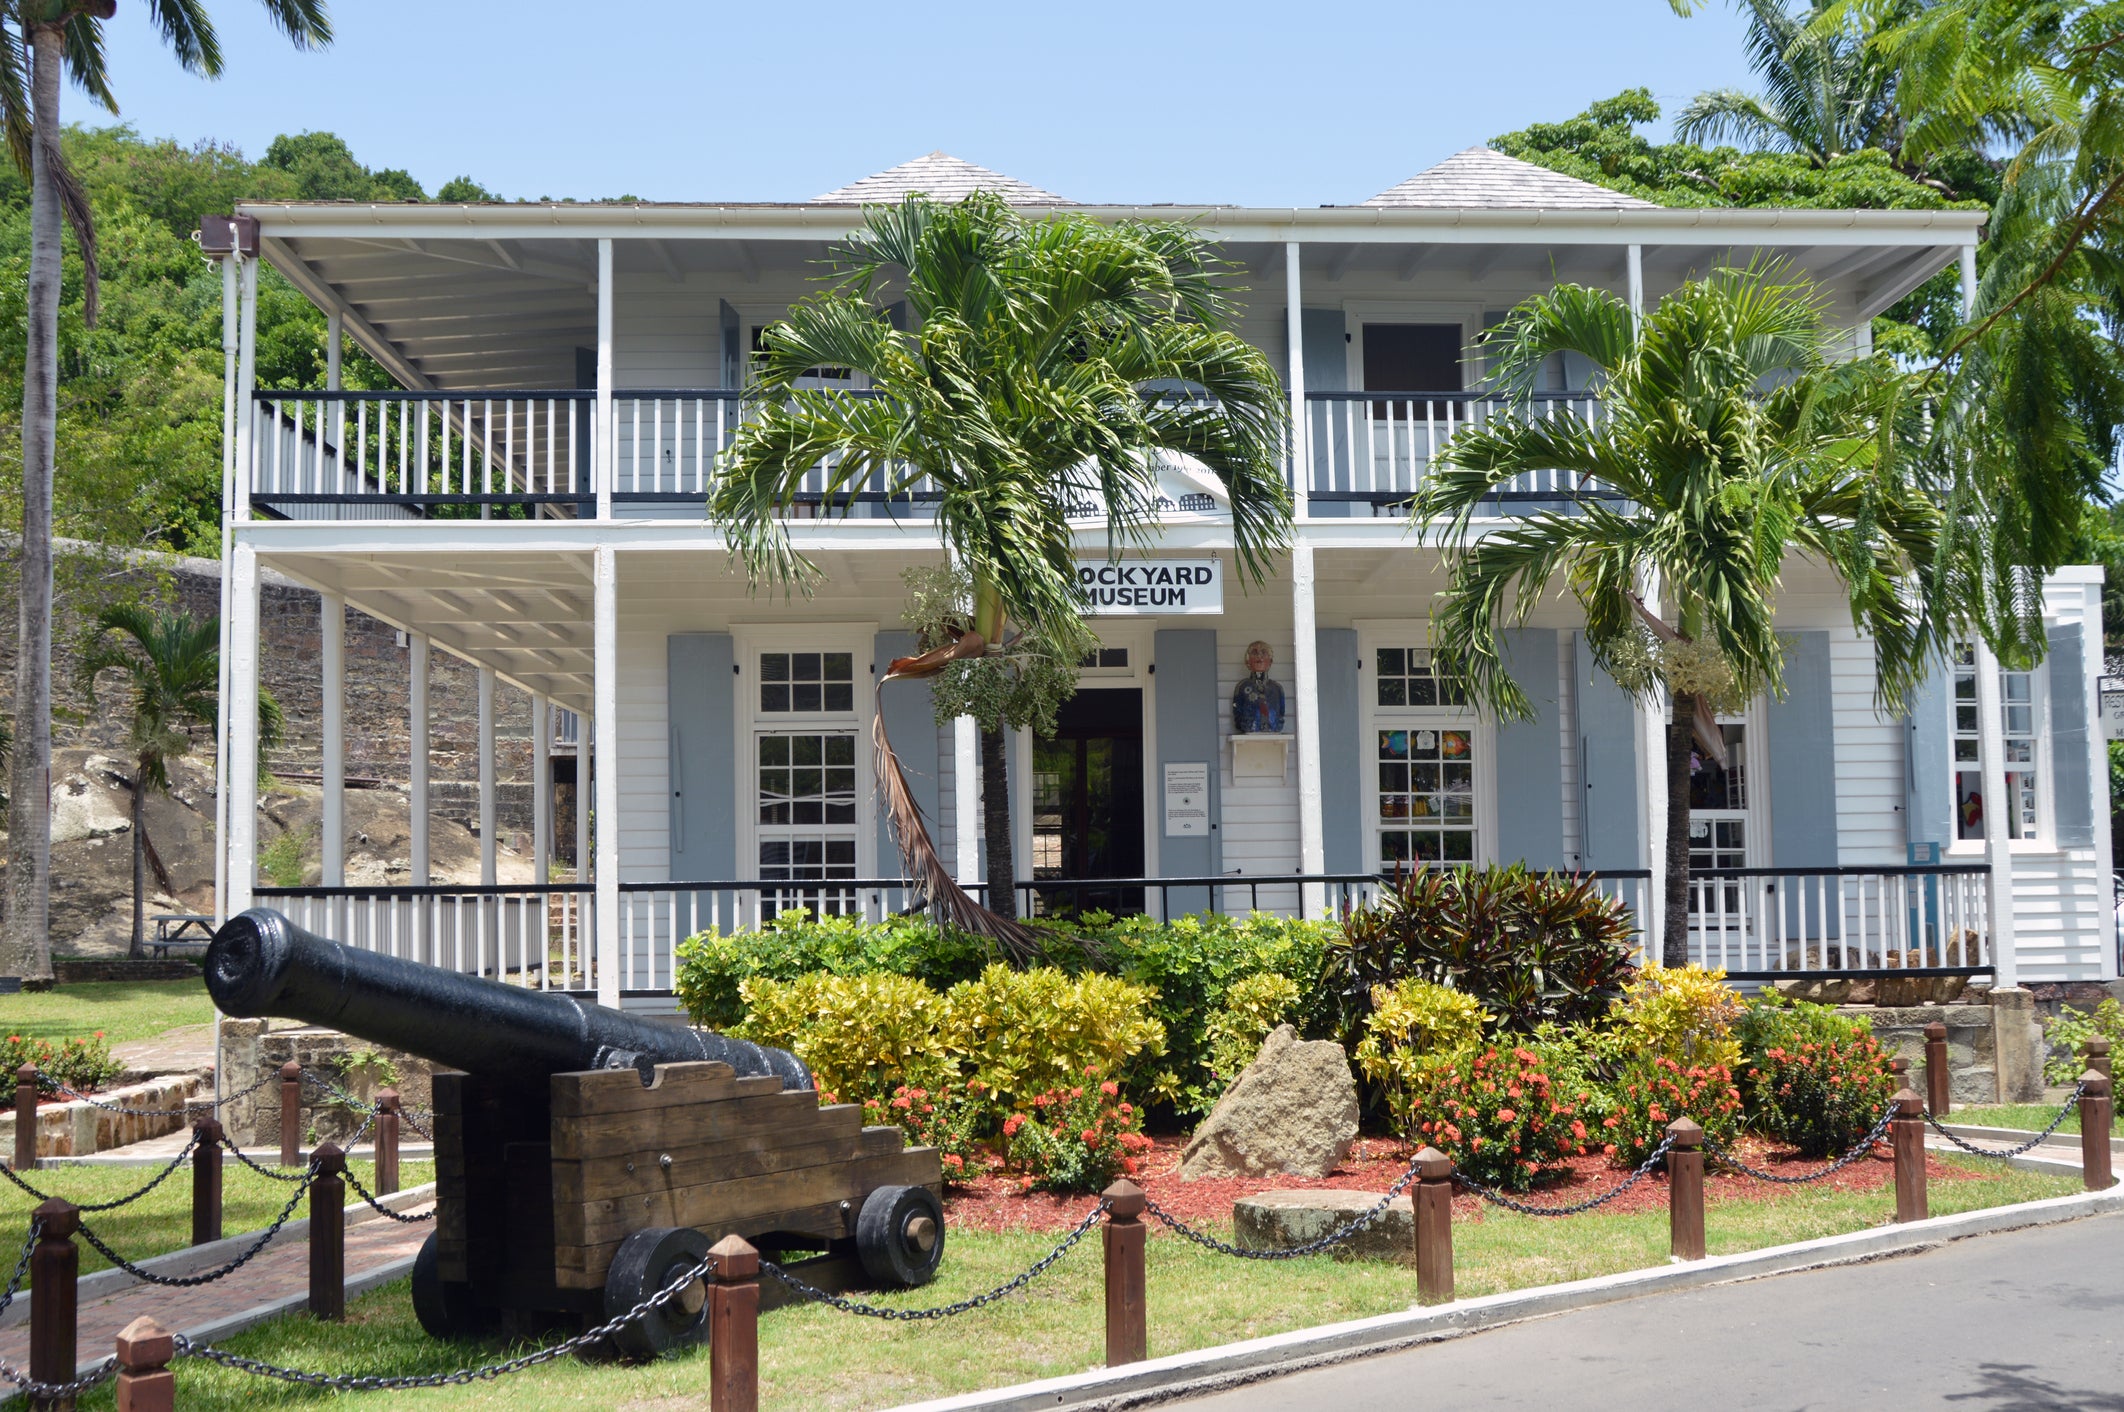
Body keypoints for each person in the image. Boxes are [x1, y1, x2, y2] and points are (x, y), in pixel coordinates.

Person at [1231, 640, 1285, 734]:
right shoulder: (1242, 687)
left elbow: (1281, 711)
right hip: (1250, 730)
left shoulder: (1277, 688)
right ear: (1247, 661)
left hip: (1273, 731)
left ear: (1270, 662)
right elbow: (1237, 710)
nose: (1259, 656)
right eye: (1254, 653)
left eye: (1264, 653)